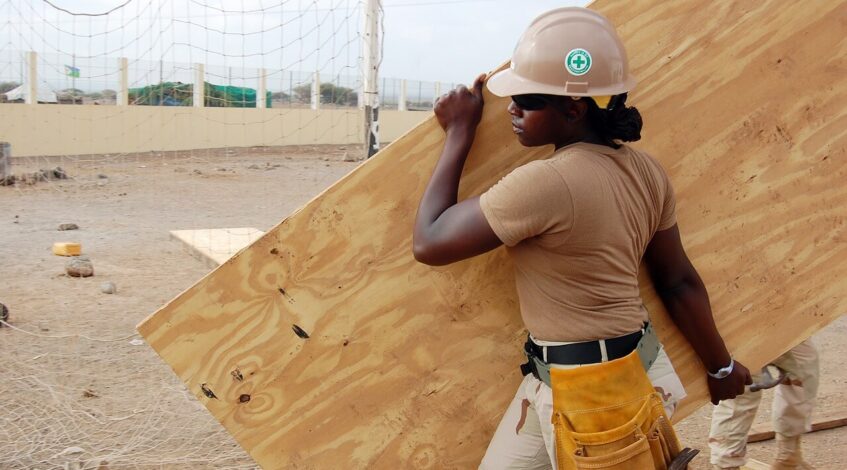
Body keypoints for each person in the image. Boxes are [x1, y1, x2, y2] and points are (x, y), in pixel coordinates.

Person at [413, 7, 752, 469]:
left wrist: (459, 132)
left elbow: (430, 242)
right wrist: (721, 366)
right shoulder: (646, 171)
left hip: (597, 399)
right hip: (595, 376)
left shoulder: (546, 183)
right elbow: (678, 281)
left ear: (573, 109)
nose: (512, 109)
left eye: (526, 99)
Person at [709, 340, 820, 470]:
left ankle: (789, 459)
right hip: (742, 335)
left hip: (782, 329)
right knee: (741, 394)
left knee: (804, 369)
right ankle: (727, 465)